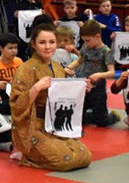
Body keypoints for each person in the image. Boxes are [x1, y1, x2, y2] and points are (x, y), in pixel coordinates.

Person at [10, 22, 92, 171]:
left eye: (52, 42)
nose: (48, 47)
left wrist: (81, 89)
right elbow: (16, 105)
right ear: (34, 44)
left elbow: (65, 97)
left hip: (55, 124)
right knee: (66, 160)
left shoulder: (58, 67)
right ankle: (27, 155)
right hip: (34, 126)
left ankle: (34, 154)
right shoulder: (25, 70)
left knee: (84, 156)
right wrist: (35, 88)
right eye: (42, 42)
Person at [76, 20, 119, 127]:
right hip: (84, 85)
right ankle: (92, 116)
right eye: (84, 41)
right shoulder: (86, 47)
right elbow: (79, 61)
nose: (86, 43)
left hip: (98, 88)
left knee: (102, 122)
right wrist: (68, 68)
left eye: (88, 40)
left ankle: (114, 116)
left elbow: (112, 72)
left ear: (97, 36)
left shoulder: (106, 51)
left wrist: (99, 75)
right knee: (79, 119)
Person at [0, 33, 23, 106]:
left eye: (16, 48)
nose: (14, 51)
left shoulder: (19, 61)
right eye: (10, 48)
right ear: (1, 48)